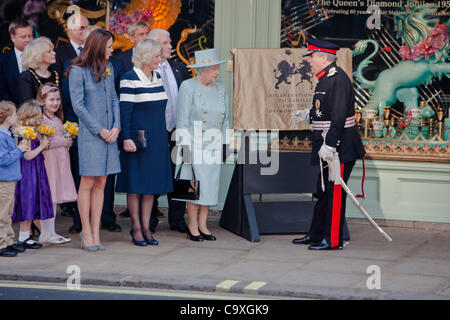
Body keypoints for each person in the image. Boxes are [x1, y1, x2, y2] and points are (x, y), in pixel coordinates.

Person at [291, 39, 365, 250]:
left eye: (312, 57)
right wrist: (310, 115)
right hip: (329, 146)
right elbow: (325, 109)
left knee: (334, 192)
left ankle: (332, 240)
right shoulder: (325, 78)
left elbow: (339, 116)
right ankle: (316, 234)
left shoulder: (337, 79)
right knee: (323, 191)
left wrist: (331, 145)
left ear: (324, 57)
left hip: (339, 148)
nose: (309, 61)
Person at [67, 29, 121, 251]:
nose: (112, 50)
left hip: (110, 135)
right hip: (91, 135)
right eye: (109, 47)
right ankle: (86, 231)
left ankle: (96, 231)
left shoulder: (109, 68)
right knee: (88, 182)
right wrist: (100, 130)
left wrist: (116, 127)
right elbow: (78, 107)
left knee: (102, 182)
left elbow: (114, 99)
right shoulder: (78, 71)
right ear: (99, 46)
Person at [115, 39, 173, 246]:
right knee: (136, 185)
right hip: (137, 139)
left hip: (157, 138)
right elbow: (125, 113)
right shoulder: (129, 78)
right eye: (157, 56)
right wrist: (127, 138)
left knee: (151, 186)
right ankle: (137, 228)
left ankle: (147, 227)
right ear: (147, 57)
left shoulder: (157, 77)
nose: (161, 59)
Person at [175, 48, 229, 242]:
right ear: (202, 70)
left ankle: (203, 225)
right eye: (213, 68)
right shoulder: (188, 87)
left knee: (209, 187)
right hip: (194, 143)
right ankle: (192, 225)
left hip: (214, 144)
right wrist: (184, 148)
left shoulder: (220, 87)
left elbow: (226, 119)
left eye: (217, 68)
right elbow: (181, 120)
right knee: (194, 186)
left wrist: (225, 143)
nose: (217, 72)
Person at [147, 28, 191, 233]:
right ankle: (150, 219)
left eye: (170, 42)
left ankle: (178, 219)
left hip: (179, 131)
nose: (170, 46)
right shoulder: (145, 70)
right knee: (154, 174)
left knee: (182, 175)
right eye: (165, 43)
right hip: (156, 132)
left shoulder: (178, 68)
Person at [54, 13, 89, 219]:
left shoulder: (93, 52)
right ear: (70, 29)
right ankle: (70, 203)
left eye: (86, 27)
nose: (84, 30)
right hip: (68, 113)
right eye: (81, 27)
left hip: (89, 117)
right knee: (72, 159)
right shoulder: (60, 53)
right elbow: (58, 87)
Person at [36, 83, 76, 244]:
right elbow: (44, 141)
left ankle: (50, 232)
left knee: (54, 197)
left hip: (60, 160)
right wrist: (64, 141)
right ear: (42, 100)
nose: (55, 103)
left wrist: (68, 138)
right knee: (49, 196)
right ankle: (45, 233)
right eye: (51, 99)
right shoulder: (41, 119)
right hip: (49, 161)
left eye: (58, 99)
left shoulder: (56, 118)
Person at [12, 99, 52, 250]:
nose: (40, 119)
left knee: (33, 201)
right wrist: (42, 146)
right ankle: (23, 236)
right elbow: (28, 156)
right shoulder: (25, 134)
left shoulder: (33, 133)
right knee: (27, 202)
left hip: (36, 171)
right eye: (38, 116)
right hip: (28, 173)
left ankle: (26, 235)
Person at [0, 100, 29, 257]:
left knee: (8, 212)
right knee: (2, 213)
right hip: (3, 180)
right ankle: (1, 243)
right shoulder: (1, 136)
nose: (17, 116)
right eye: (15, 114)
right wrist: (19, 150)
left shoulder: (8, 134)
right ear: (8, 118)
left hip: (10, 179)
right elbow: (3, 159)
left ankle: (9, 240)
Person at [0, 19, 33, 106]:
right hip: (12, 112)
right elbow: (2, 91)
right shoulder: (2, 60)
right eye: (23, 37)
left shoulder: (40, 58)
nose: (27, 40)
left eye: (30, 36)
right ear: (12, 37)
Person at [17, 36, 58, 105]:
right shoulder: (27, 77)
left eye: (53, 50)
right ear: (38, 55)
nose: (54, 53)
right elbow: (28, 105)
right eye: (49, 51)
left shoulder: (55, 74)